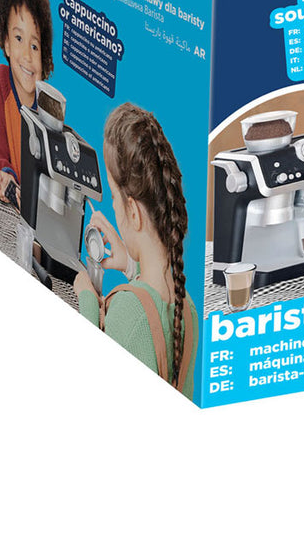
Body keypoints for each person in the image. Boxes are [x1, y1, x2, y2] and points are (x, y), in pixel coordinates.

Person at [73, 104, 199, 397]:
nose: (113, 206)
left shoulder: (128, 312)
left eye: (114, 197)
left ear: (133, 211)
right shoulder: (186, 308)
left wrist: (88, 301)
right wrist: (131, 265)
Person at [0, 0, 54, 205]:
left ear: (44, 55)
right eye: (18, 38)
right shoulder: (3, 79)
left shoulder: (49, 105)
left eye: (34, 46)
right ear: (6, 43)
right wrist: (4, 173)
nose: (27, 55)